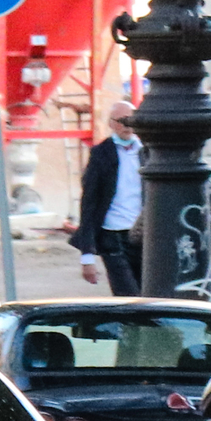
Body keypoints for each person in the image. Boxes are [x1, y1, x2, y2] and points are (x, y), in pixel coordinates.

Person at [73, 102, 144, 293]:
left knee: (150, 296)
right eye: (122, 121)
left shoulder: (148, 153)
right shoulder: (101, 154)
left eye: (131, 120)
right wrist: (87, 257)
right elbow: (89, 204)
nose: (127, 126)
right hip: (113, 235)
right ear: (111, 124)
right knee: (128, 296)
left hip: (144, 235)